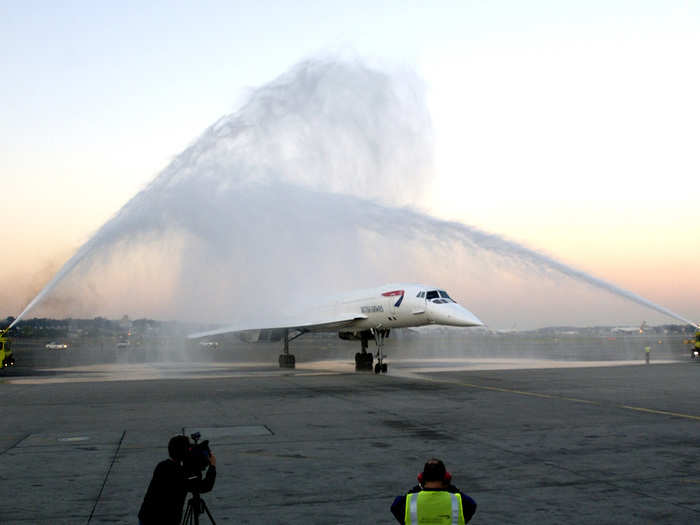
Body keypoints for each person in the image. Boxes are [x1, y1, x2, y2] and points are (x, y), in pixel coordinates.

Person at [138, 435, 217, 525]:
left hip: (146, 517)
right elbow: (205, 486)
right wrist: (212, 466)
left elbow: (183, 476)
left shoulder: (162, 465)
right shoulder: (181, 474)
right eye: (189, 448)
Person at [391, 458, 477, 524]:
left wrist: (418, 487)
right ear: (446, 478)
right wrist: (450, 487)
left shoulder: (408, 501)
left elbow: (395, 507)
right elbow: (472, 505)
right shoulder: (459, 500)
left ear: (421, 478)